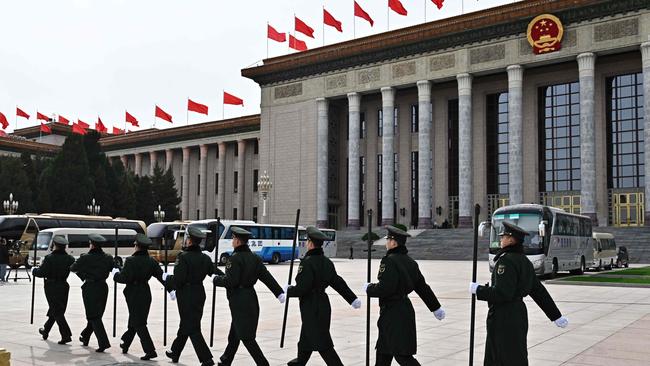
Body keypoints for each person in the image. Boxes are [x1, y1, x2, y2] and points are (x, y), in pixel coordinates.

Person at [469, 220, 569, 366]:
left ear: (511, 239)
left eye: (503, 236)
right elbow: (538, 291)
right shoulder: (524, 261)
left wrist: (478, 290)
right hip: (518, 315)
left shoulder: (506, 262)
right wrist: (555, 315)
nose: (501, 239)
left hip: (503, 317)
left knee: (498, 357)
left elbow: (502, 293)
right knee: (517, 355)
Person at [364, 225, 446, 366]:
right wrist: (435, 308)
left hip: (392, 314)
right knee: (384, 353)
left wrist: (370, 288)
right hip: (404, 310)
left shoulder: (389, 261)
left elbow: (385, 288)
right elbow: (422, 287)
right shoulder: (410, 262)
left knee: (402, 355)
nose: (386, 242)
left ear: (394, 242)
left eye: (388, 239)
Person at [286, 226, 361, 366]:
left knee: (322, 343)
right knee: (306, 338)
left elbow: (303, 288)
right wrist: (352, 298)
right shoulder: (327, 262)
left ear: (310, 243)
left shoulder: (307, 263)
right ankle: (300, 361)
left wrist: (289, 291)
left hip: (311, 305)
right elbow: (337, 282)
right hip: (323, 303)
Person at [213, 226, 285, 366]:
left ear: (238, 241)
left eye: (233, 238)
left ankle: (263, 363)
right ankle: (226, 360)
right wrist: (279, 293)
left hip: (239, 300)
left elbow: (230, 281)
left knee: (246, 337)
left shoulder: (234, 259)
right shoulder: (255, 258)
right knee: (235, 332)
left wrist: (216, 280)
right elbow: (267, 277)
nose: (232, 241)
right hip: (250, 297)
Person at [164, 226, 215, 366]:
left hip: (186, 294)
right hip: (199, 293)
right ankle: (175, 351)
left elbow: (179, 279)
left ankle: (206, 359)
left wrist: (167, 280)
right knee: (187, 323)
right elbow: (214, 272)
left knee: (192, 326)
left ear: (190, 241)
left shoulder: (183, 257)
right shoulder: (204, 258)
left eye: (186, 239)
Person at [112, 233, 165, 361]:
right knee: (136, 319)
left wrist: (115, 274)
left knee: (139, 323)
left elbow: (124, 278)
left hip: (133, 293)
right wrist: (171, 287)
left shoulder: (130, 260)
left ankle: (150, 350)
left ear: (137, 246)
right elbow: (161, 276)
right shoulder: (151, 261)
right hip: (145, 293)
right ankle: (126, 342)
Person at [70, 233, 114, 352]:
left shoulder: (85, 257)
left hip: (90, 287)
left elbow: (73, 268)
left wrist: (83, 275)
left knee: (93, 315)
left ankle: (103, 342)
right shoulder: (108, 257)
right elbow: (115, 268)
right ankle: (85, 336)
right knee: (96, 314)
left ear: (92, 245)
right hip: (103, 287)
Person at [32, 235, 76, 344]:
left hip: (51, 286)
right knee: (56, 309)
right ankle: (46, 330)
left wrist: (34, 270)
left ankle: (66, 335)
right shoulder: (70, 258)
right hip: (64, 286)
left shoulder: (50, 258)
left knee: (57, 311)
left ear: (55, 246)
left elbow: (42, 273)